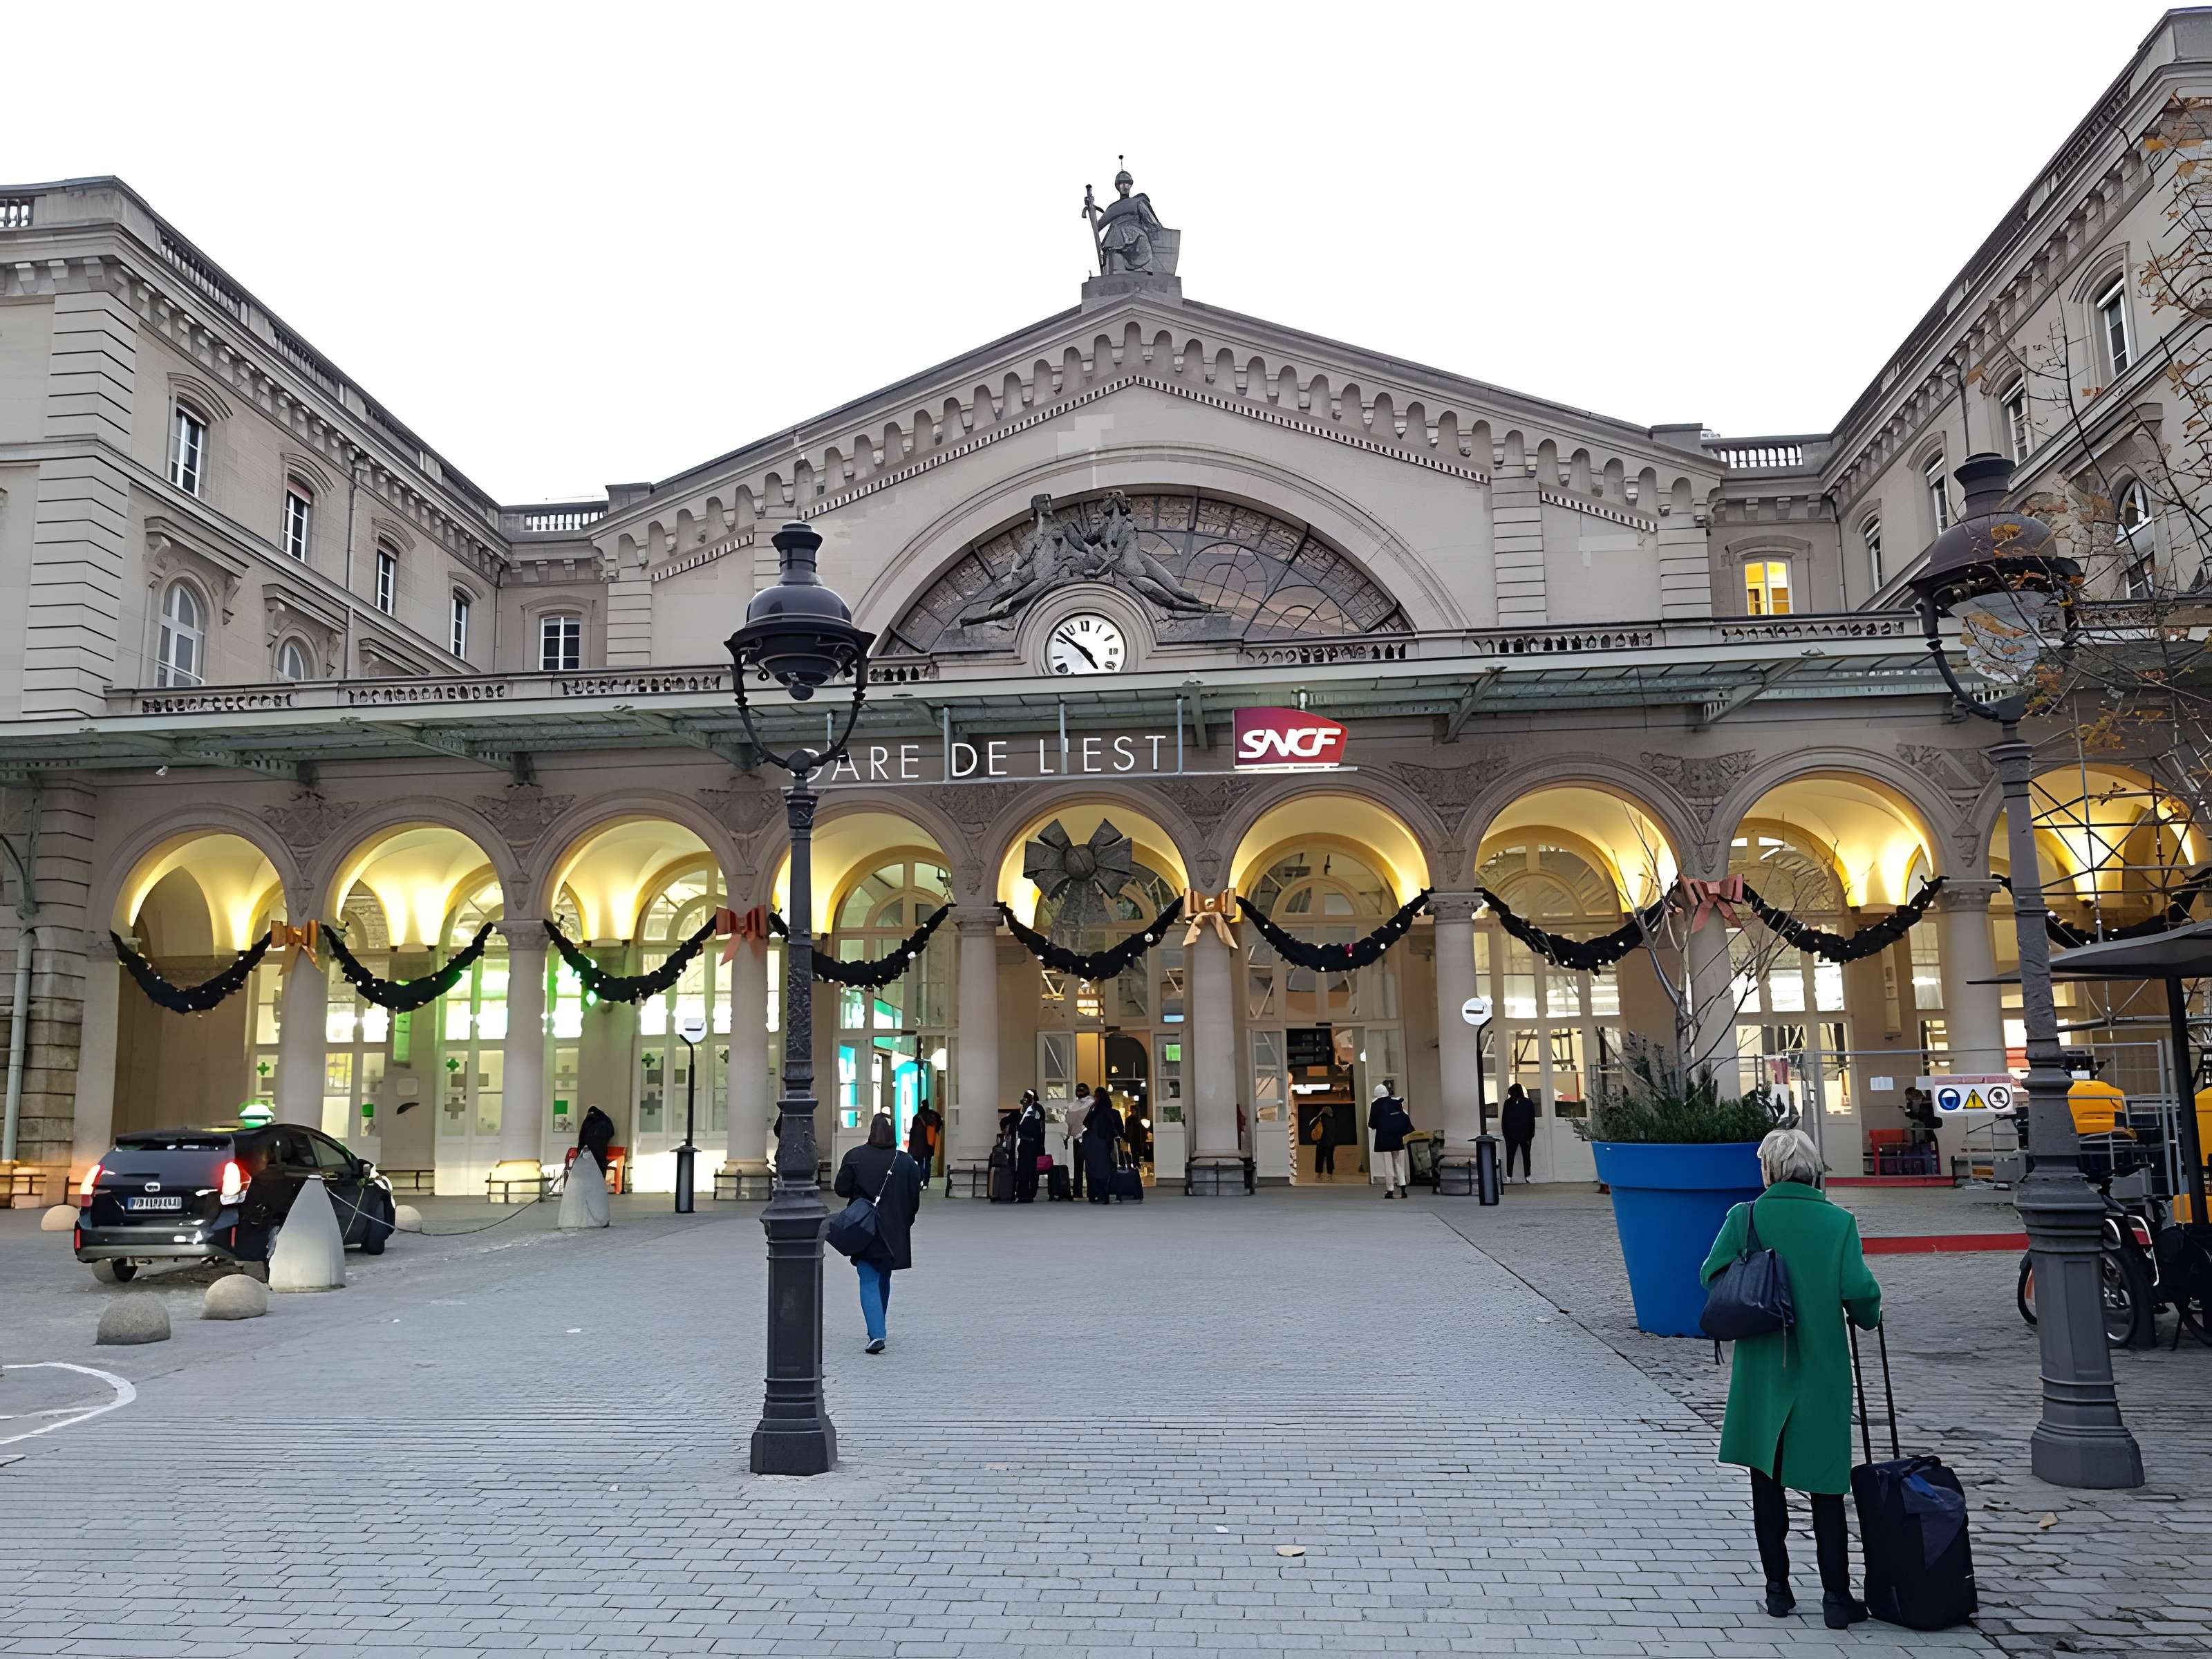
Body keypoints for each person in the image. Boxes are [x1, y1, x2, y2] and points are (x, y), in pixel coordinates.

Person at [1700, 1127, 1882, 1629]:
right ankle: (1836, 1597)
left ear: (1769, 1171)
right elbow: (1860, 1293)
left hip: (1762, 1372)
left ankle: (1777, 1591)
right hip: (1821, 1371)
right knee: (1827, 1487)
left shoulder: (1745, 1218)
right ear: (1813, 1170)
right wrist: (1867, 1312)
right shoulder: (1838, 1222)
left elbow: (1711, 1275)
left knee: (1766, 1482)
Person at [832, 1113, 924, 1354]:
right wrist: (905, 1222)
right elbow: (913, 1201)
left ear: (871, 1131)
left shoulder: (855, 1156)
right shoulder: (906, 1162)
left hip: (865, 1226)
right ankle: (878, 1324)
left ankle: (877, 1332)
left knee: (868, 1277)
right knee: (884, 1276)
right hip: (895, 1228)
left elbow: (841, 1189)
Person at [1367, 1083, 1414, 1199]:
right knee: (1399, 1162)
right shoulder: (1396, 1102)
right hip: (1397, 1136)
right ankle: (1403, 1187)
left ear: (1376, 1094)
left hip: (1384, 1137)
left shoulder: (1375, 1104)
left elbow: (1372, 1123)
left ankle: (1390, 1190)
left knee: (1388, 1163)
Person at [1082, 1087, 1124, 1205]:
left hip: (1093, 1145)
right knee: (1106, 1169)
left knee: (1094, 1170)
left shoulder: (1094, 1112)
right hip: (1106, 1145)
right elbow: (1119, 1130)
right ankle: (1107, 1193)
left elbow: (1086, 1123)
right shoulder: (1113, 1113)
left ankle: (1096, 1193)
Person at [1015, 1089, 1047, 1203]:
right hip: (1032, 1143)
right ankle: (1028, 1192)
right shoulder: (1036, 1109)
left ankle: (1025, 1193)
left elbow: (1030, 1127)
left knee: (1026, 1168)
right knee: (1030, 1169)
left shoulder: (1033, 1110)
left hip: (1029, 1143)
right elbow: (1041, 1129)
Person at [1500, 1085, 1536, 1183]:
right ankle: (1523, 1176)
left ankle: (1514, 1177)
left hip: (1519, 1134)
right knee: (1522, 1156)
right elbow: (1505, 1120)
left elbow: (1531, 1120)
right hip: (1519, 1134)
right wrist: (1506, 1134)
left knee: (1517, 1156)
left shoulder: (1511, 1103)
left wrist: (1530, 1135)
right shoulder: (1526, 1103)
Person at [1066, 1084, 1094, 1200]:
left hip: (1084, 1137)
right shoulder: (1076, 1105)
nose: (1080, 1092)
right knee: (1083, 1165)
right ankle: (1085, 1191)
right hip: (1081, 1138)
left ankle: (1083, 1191)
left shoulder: (1090, 1103)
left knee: (1085, 1165)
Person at [906, 1098, 942, 1174]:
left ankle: (921, 1177)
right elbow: (939, 1123)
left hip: (920, 1143)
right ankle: (926, 1180)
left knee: (920, 1161)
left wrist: (911, 1147)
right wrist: (936, 1131)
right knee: (928, 1161)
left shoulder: (917, 1117)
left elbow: (913, 1132)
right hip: (930, 1142)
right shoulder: (933, 1115)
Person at [578, 1105, 616, 1177]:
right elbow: (612, 1132)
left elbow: (582, 1137)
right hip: (600, 1151)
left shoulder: (588, 1120)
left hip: (588, 1151)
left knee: (587, 1174)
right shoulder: (606, 1119)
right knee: (600, 1172)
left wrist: (579, 1151)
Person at [1306, 1104, 1335, 1180]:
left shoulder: (1321, 1119)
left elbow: (1311, 1124)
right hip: (1331, 1143)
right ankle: (1330, 1175)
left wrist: (1319, 1114)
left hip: (1322, 1142)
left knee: (1320, 1158)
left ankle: (1319, 1174)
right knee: (1330, 1158)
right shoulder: (1333, 1120)